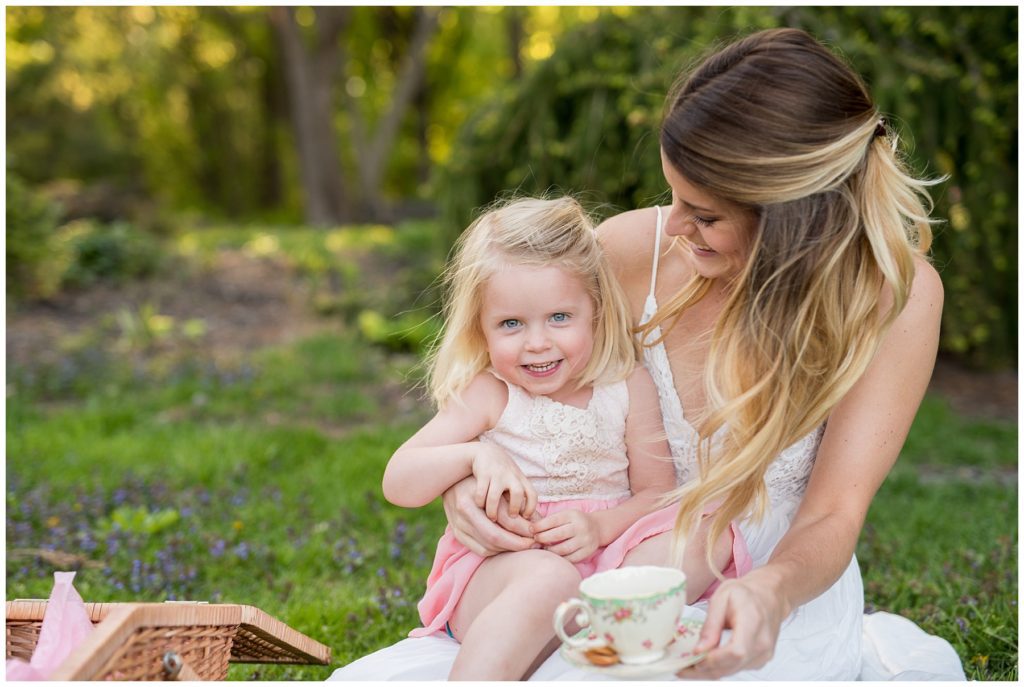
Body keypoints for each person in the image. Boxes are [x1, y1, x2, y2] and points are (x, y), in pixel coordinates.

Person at [331, 27, 965, 681]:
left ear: (795, 215)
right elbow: (512, 389)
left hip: (770, 576)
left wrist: (769, 589)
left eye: (706, 213)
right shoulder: (631, 251)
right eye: (674, 195)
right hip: (588, 563)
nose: (678, 226)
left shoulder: (896, 299)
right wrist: (468, 481)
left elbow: (835, 512)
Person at [379, 196, 748, 680]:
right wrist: (475, 456)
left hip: (603, 558)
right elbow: (398, 481)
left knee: (709, 531)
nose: (537, 342)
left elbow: (657, 493)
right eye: (511, 324)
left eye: (559, 318)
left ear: (594, 308)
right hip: (507, 573)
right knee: (549, 578)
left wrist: (600, 529)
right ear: (481, 329)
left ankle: (576, 644)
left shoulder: (626, 385)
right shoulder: (492, 392)